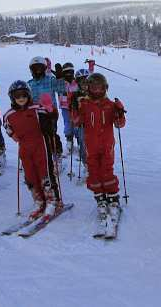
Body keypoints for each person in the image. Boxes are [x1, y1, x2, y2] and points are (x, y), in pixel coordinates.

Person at [72, 73, 126, 230]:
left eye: (99, 87)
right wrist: (75, 109)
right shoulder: (85, 105)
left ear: (104, 88)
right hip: (91, 146)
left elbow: (119, 124)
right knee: (94, 172)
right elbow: (76, 122)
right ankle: (100, 198)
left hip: (107, 145)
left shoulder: (110, 105)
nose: (96, 90)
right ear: (88, 88)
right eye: (93, 87)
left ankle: (113, 198)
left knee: (107, 171)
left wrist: (120, 111)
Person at [3, 80, 63, 220]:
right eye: (17, 96)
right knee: (30, 175)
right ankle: (39, 201)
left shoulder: (37, 108)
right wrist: (14, 136)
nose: (21, 98)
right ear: (12, 98)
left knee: (44, 173)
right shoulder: (9, 114)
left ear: (28, 95)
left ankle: (53, 201)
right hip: (24, 147)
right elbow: (7, 127)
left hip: (40, 144)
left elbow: (51, 119)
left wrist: (51, 109)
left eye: (24, 95)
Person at [27, 56, 66, 159]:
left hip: (50, 112)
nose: (38, 71)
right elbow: (26, 99)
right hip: (35, 113)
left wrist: (60, 78)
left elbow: (61, 90)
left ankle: (56, 153)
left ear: (44, 69)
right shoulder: (30, 84)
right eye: (35, 68)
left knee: (51, 133)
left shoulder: (50, 80)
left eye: (40, 68)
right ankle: (43, 153)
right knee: (38, 134)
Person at [68, 68, 90, 174]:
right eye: (82, 82)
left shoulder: (95, 93)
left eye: (86, 81)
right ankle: (86, 164)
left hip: (94, 123)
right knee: (82, 142)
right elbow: (72, 110)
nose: (84, 84)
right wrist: (75, 118)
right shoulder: (75, 95)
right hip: (81, 124)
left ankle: (95, 164)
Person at [58, 62, 78, 154]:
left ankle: (79, 139)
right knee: (67, 123)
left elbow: (88, 78)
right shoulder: (60, 82)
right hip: (65, 107)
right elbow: (49, 75)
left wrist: (91, 66)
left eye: (70, 72)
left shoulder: (76, 82)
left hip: (75, 107)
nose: (68, 74)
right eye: (66, 72)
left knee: (77, 122)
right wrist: (48, 65)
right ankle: (69, 139)